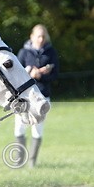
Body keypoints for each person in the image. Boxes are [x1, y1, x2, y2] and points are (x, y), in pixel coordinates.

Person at [15, 24, 59, 167]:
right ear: (32, 36)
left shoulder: (51, 52)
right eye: (38, 36)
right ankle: (20, 161)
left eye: (43, 36)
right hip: (24, 97)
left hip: (42, 96)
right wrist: (30, 73)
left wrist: (40, 76)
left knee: (37, 129)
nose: (41, 39)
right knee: (20, 127)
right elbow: (15, 75)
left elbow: (55, 75)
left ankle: (32, 162)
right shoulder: (23, 52)